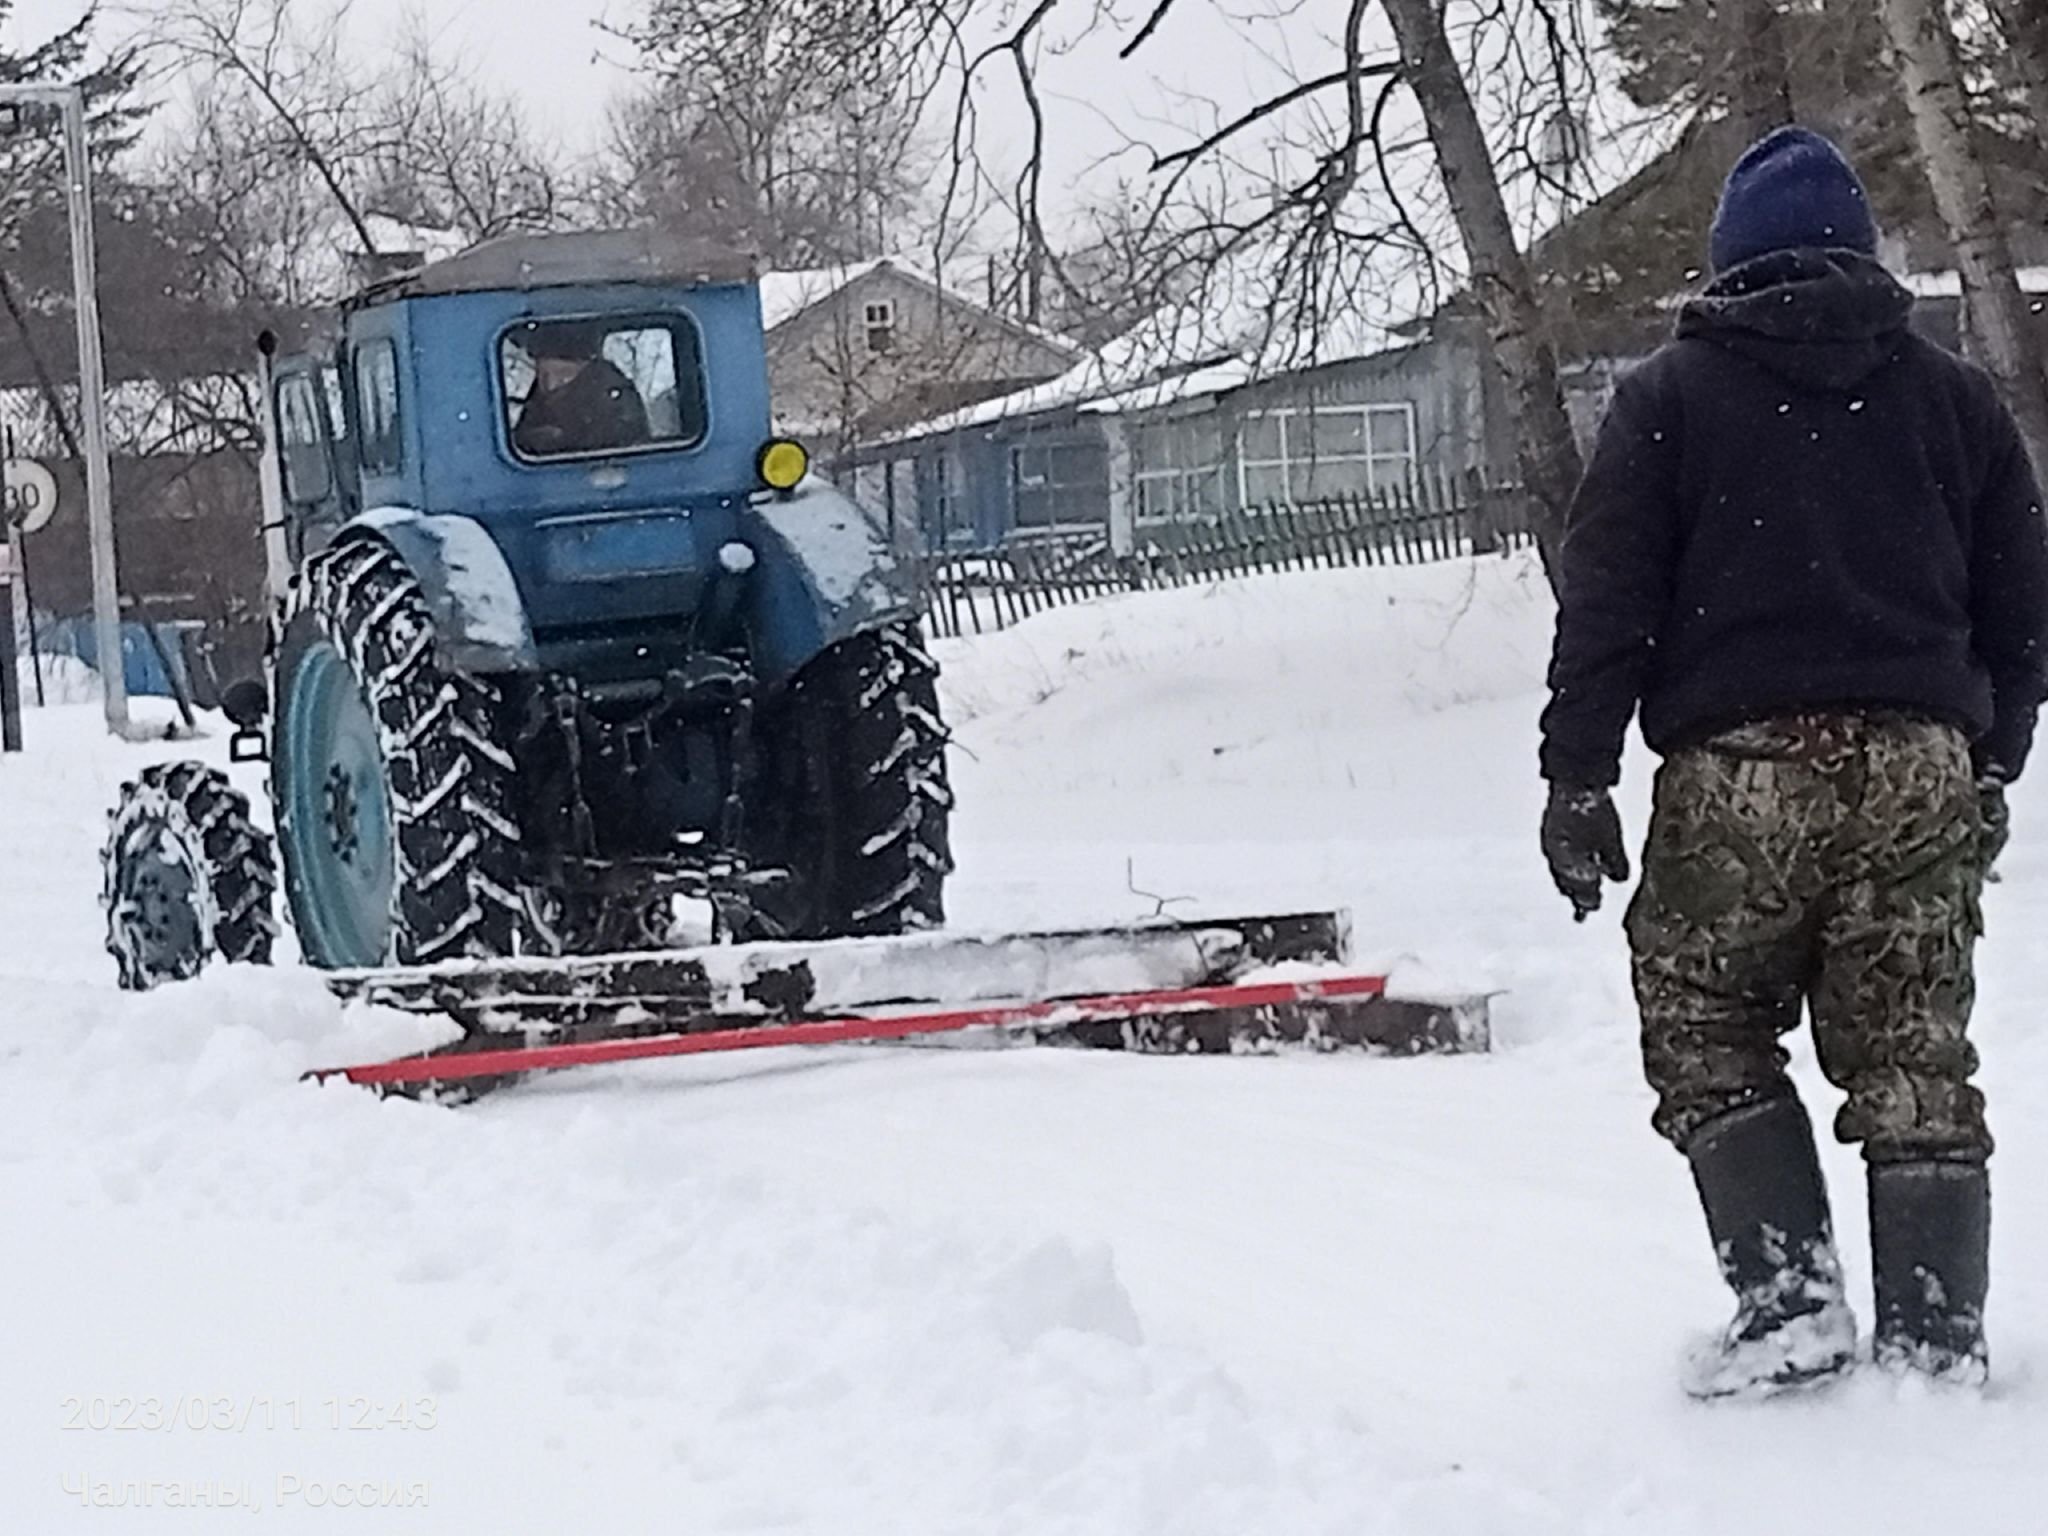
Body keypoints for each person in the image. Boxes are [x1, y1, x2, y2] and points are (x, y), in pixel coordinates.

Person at [1539, 126, 2048, 1397]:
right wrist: (1992, 756)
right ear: (1859, 256)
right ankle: (1934, 1340)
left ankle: (1787, 1309)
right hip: (1920, 763)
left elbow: (1606, 603)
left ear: (1728, 264)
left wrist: (1575, 775)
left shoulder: (1666, 399)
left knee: (1706, 1023)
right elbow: (2022, 606)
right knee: (1912, 1046)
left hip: (1738, 770)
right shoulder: (1952, 398)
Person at [511, 322, 650, 458]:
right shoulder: (537, 402)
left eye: (564, 375)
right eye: (543, 375)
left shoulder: (614, 402)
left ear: (589, 370)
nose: (551, 385)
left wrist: (559, 440)